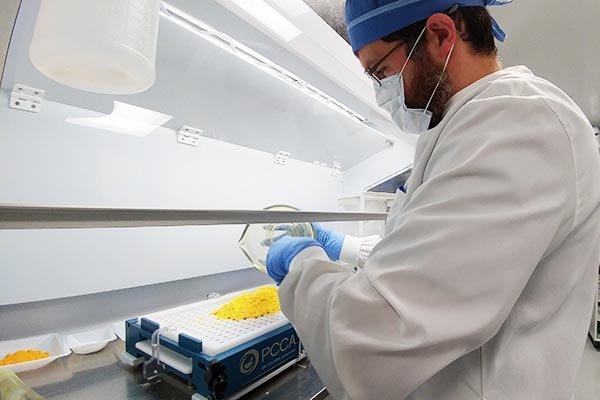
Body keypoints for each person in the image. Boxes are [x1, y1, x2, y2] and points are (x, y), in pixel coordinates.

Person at [266, 1, 600, 399]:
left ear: (440, 35)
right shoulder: (468, 124)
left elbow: (375, 337)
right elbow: (432, 261)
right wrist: (344, 248)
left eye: (380, 71)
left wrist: (300, 264)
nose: (380, 94)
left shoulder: (518, 123)